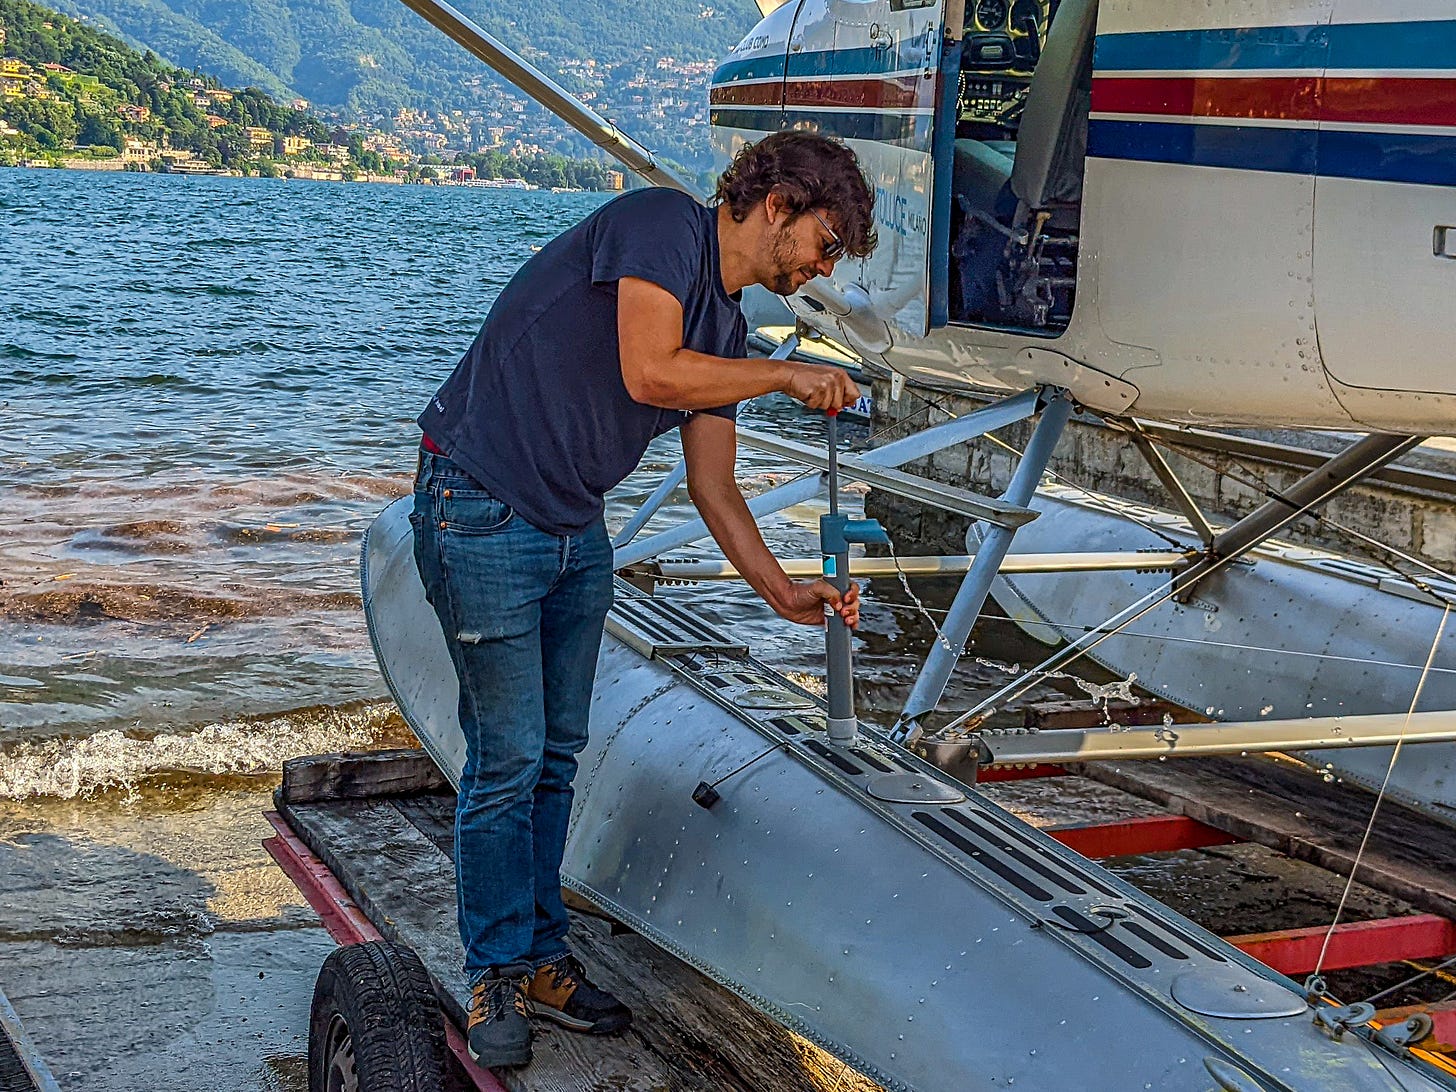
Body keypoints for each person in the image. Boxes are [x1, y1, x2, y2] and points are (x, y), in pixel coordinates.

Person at [410, 130, 877, 1069]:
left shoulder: (728, 324)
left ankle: (541, 957)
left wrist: (782, 588)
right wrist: (789, 371)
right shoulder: (660, 225)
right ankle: (495, 971)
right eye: (826, 244)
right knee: (507, 758)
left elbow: (715, 485)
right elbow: (647, 371)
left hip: (572, 526)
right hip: (479, 502)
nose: (825, 268)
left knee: (556, 754)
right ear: (778, 204)